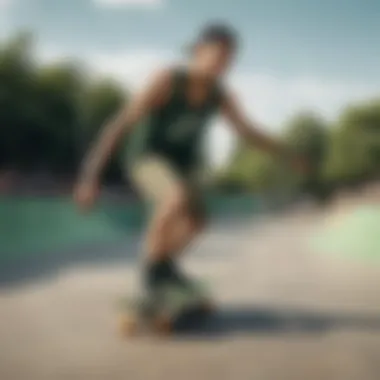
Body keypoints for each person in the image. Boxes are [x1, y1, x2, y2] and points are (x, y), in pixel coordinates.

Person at [74, 22, 305, 298]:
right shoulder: (167, 80)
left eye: (228, 61)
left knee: (198, 222)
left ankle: (165, 266)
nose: (222, 66)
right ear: (198, 51)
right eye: (217, 56)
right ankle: (152, 277)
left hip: (182, 166)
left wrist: (288, 153)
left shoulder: (220, 95)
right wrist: (90, 177)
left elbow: (248, 132)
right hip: (146, 157)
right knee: (175, 199)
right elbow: (119, 124)